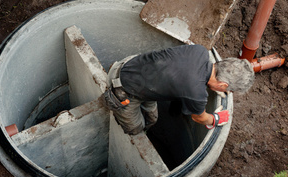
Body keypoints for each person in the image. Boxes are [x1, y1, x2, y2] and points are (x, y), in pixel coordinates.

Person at [105, 44, 254, 135]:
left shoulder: (199, 51)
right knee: (135, 129)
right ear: (223, 85)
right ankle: (132, 131)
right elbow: (199, 117)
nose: (228, 92)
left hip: (137, 68)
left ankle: (147, 130)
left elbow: (186, 74)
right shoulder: (196, 94)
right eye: (230, 90)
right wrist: (214, 119)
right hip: (123, 90)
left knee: (152, 118)